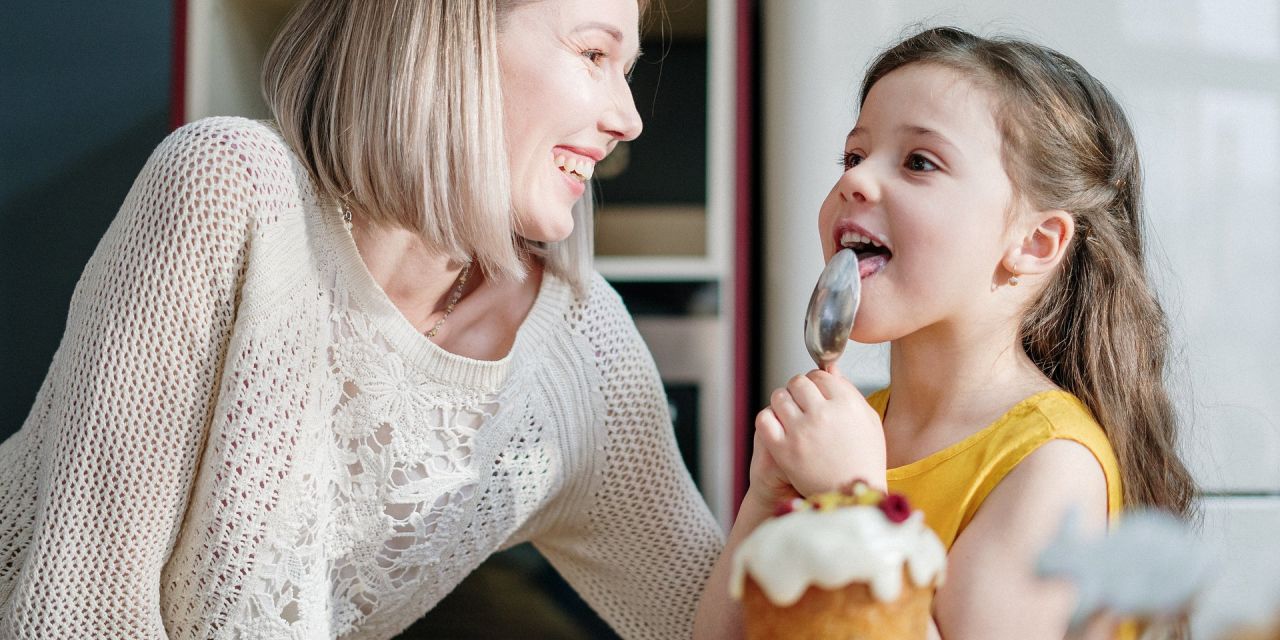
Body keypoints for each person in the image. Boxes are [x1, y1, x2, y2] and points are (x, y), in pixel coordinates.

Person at [0, 1, 725, 638]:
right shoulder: (231, 189)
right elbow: (83, 612)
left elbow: (710, 622)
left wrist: (816, 478)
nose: (627, 119)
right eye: (595, 54)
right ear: (452, 36)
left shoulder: (579, 349)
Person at [695, 26, 1195, 639]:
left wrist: (854, 503)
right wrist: (765, 497)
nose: (854, 180)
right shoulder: (858, 431)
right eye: (854, 156)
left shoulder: (1051, 465)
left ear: (1034, 243)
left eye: (919, 162)